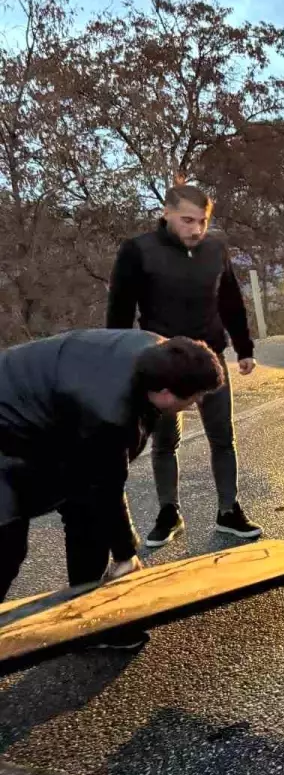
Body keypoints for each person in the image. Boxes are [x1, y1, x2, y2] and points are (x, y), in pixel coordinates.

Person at [0, 330, 224, 649]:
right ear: (163, 392)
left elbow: (97, 487)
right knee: (6, 544)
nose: (196, 402)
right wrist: (124, 555)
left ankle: (85, 620)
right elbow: (107, 485)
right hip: (12, 421)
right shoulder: (108, 412)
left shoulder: (161, 354)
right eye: (192, 396)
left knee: (86, 513)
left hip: (44, 422)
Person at [107, 184, 263, 547]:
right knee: (165, 442)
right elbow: (119, 310)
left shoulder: (215, 249)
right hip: (162, 364)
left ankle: (229, 511)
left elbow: (230, 300)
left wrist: (244, 348)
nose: (196, 229)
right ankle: (168, 512)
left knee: (222, 437)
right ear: (167, 213)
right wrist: (116, 359)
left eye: (202, 221)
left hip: (210, 361)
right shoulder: (138, 251)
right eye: (187, 220)